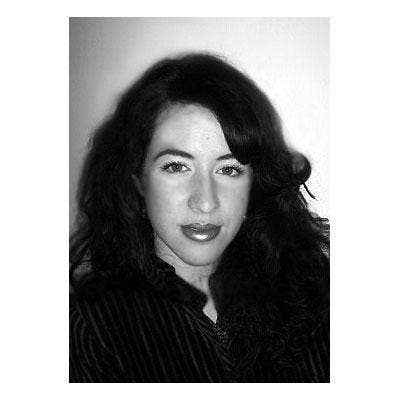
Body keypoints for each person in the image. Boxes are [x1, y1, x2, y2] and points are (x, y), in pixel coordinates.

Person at [69, 53, 329, 383]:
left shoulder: (317, 297)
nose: (205, 203)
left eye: (229, 169)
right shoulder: (92, 331)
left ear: (254, 184)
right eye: (177, 166)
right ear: (137, 180)